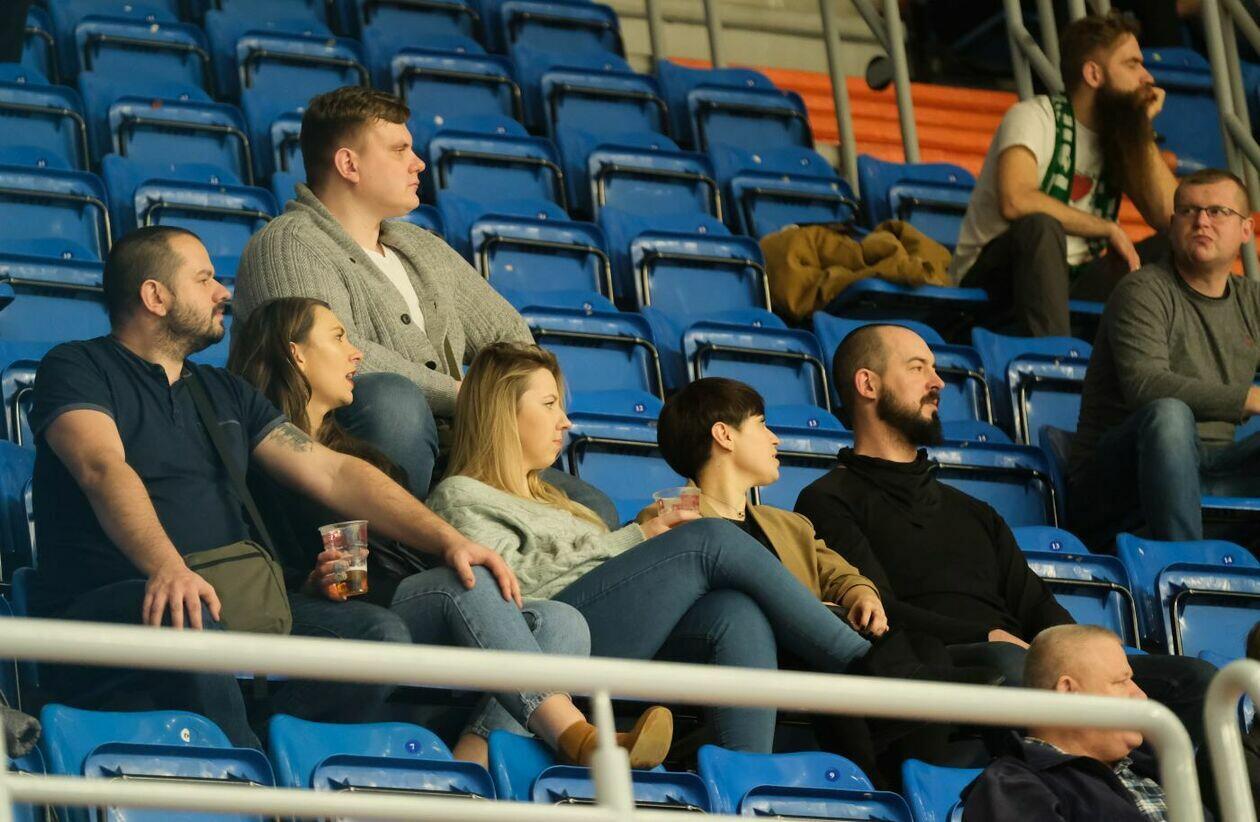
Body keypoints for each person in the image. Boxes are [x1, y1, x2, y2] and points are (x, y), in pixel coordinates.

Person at [28, 226, 520, 750]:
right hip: (122, 597)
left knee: (377, 636)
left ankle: (268, 750)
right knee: (187, 611)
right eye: (203, 279)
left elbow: (333, 472)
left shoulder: (222, 390)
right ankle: (250, 780)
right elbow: (102, 467)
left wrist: (449, 541)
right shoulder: (77, 366)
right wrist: (167, 568)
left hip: (226, 598)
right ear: (155, 296)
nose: (223, 292)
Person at [426, 341, 983, 754]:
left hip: (607, 638)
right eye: (549, 404)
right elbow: (515, 597)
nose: (565, 420)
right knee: (710, 538)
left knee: (734, 613)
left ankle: (744, 783)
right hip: (555, 643)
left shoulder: (568, 502)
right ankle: (869, 670)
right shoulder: (462, 497)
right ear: (503, 411)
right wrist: (636, 539)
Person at [227, 296, 672, 768]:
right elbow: (255, 569)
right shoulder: (253, 463)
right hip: (337, 615)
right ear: (296, 353)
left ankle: (470, 769)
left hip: (402, 602)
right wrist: (308, 583)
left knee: (562, 621)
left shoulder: (368, 458)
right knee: (466, 577)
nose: (356, 352)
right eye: (339, 338)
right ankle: (577, 736)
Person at [795, 323, 1216, 746]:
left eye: (935, 369)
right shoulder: (827, 500)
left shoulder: (973, 510)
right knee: (1011, 666)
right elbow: (876, 611)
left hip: (1021, 657)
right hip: (943, 666)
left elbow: (1035, 604)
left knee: (1197, 682)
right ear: (867, 384)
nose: (938, 382)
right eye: (918, 368)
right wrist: (985, 636)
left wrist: (1087, 656)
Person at [232, 86, 616, 525]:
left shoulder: (421, 246)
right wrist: (465, 395)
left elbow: (511, 339)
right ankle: (397, 553)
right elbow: (336, 355)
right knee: (393, 402)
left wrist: (510, 399)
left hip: (457, 453)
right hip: (345, 455)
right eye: (399, 150)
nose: (418, 163)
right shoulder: (288, 244)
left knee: (595, 511)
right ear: (348, 164)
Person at [651, 376, 1000, 785]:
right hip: (748, 651)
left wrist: (859, 593)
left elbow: (837, 570)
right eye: (762, 425)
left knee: (926, 647)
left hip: (815, 652)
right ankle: (870, 780)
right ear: (724, 435)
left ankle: (911, 790)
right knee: (840, 663)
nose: (775, 439)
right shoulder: (671, 516)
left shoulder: (790, 524)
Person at [949, 12, 1176, 337]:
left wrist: (1141, 128)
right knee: (1040, 226)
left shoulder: (1119, 138)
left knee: (1183, 238)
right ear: (1094, 74)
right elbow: (1016, 200)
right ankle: (1054, 360)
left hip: (1075, 281)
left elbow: (1170, 215)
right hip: (996, 281)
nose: (1147, 76)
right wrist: (1107, 228)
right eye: (1132, 64)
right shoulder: (1033, 116)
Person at [1068, 168, 1260, 545]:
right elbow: (1146, 386)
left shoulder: (1252, 301)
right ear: (1172, 226)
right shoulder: (1142, 291)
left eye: (1217, 211)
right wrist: (1247, 398)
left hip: (1212, 471)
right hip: (1117, 485)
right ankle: (1183, 570)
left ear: (1246, 230)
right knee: (1169, 414)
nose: (1201, 221)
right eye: (1188, 211)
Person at [961, 625, 1213, 821]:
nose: (1141, 695)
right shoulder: (1013, 786)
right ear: (1068, 692)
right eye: (1121, 681)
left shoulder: (1156, 766)